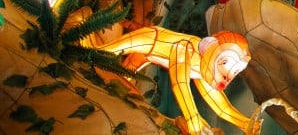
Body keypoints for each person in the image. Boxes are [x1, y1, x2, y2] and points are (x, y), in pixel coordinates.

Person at [97, 27, 263, 135]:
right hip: (150, 39)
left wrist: (245, 123)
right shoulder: (186, 49)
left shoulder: (203, 68)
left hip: (145, 57)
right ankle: (80, 21)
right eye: (225, 63)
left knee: (114, 79)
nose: (227, 76)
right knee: (100, 54)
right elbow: (180, 84)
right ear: (209, 47)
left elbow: (221, 107)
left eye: (235, 71)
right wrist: (193, 119)